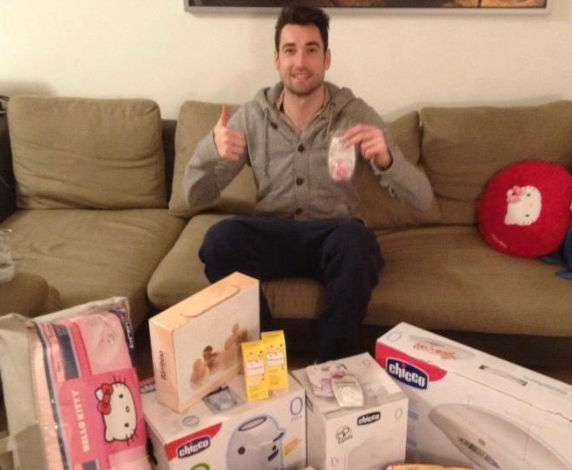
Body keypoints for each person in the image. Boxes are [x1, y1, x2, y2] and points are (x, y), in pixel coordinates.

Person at [183, 5, 433, 362]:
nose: (300, 62)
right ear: (277, 59)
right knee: (219, 241)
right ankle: (269, 354)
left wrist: (387, 161)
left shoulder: (355, 114)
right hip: (272, 235)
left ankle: (330, 362)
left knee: (358, 243)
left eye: (311, 50)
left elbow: (422, 199)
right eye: (290, 50)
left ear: (326, 58)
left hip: (334, 238)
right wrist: (210, 149)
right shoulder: (251, 117)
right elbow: (194, 196)